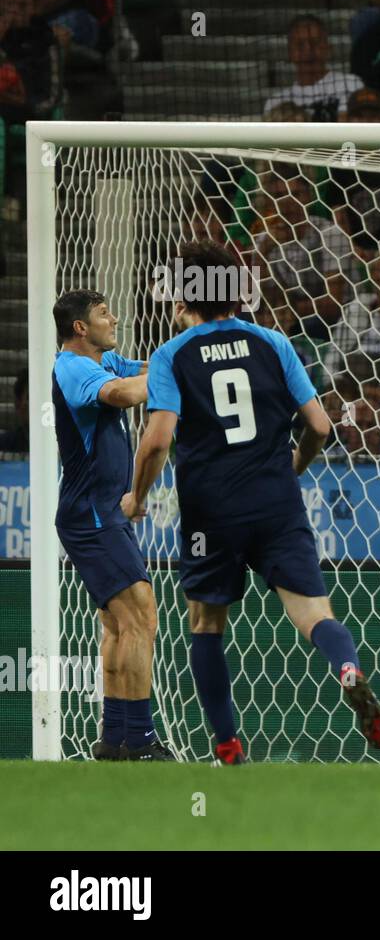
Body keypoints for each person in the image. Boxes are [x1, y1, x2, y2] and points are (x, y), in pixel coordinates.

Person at [123, 240, 380, 764]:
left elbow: (156, 441)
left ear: (185, 297)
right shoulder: (273, 341)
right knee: (314, 614)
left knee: (205, 624)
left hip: (210, 511)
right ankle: (347, 668)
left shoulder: (171, 356)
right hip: (276, 501)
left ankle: (227, 745)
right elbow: (319, 425)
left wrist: (137, 497)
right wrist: (293, 468)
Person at [51, 290, 172, 760]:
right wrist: (176, 376)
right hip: (93, 516)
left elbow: (140, 371)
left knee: (120, 625)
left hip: (104, 513)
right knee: (142, 615)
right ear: (80, 327)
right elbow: (122, 394)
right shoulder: (73, 367)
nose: (114, 318)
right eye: (104, 313)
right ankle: (140, 740)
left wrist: (174, 365)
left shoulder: (104, 359)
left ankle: (115, 738)